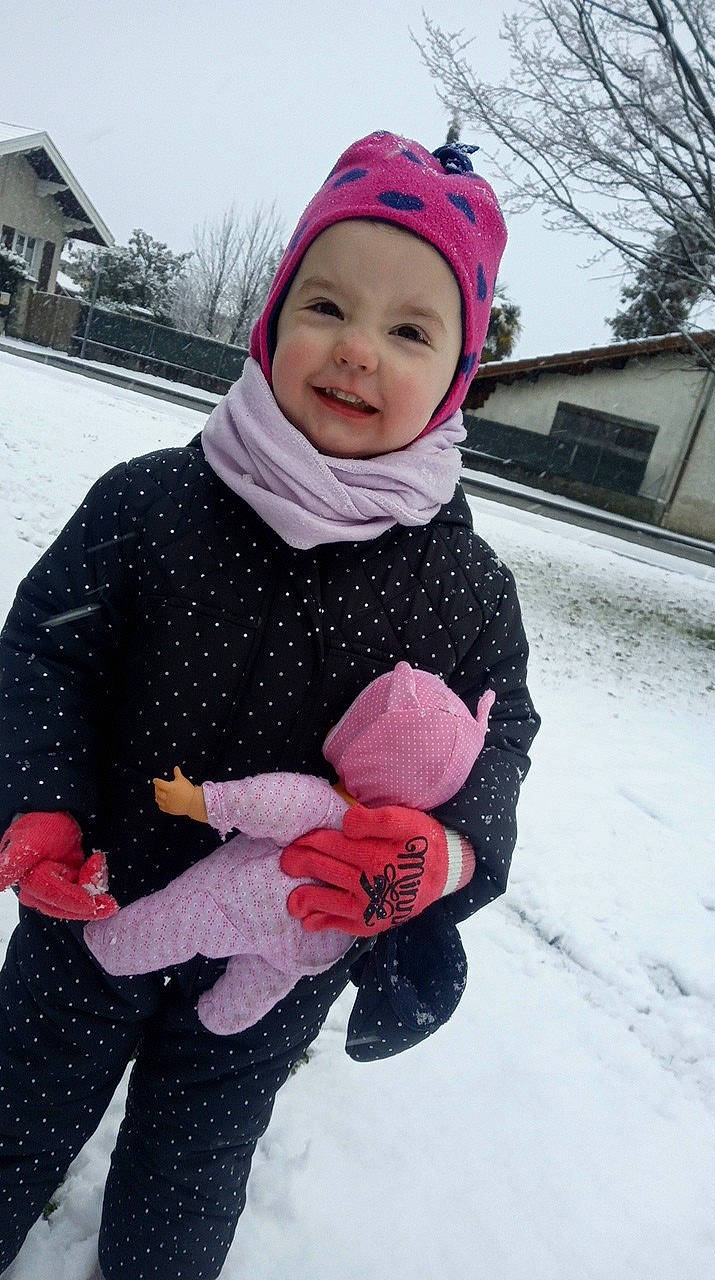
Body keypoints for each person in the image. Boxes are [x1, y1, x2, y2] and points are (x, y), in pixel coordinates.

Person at [0, 130, 540, 1280]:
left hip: (278, 955)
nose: (356, 348)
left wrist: (449, 852)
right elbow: (46, 655)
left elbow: (505, 736)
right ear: (272, 317)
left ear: (458, 375)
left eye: (410, 330)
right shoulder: (149, 504)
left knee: (189, 1175)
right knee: (11, 1112)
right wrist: (39, 803)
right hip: (90, 903)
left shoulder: (466, 589)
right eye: (326, 304)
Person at [84, 664, 496, 1036]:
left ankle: (111, 947)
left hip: (241, 904)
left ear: (366, 747)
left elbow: (263, 803)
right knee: (259, 985)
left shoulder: (323, 806)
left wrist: (199, 801)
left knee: (178, 924)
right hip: (314, 944)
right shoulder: (392, 843)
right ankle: (221, 1018)